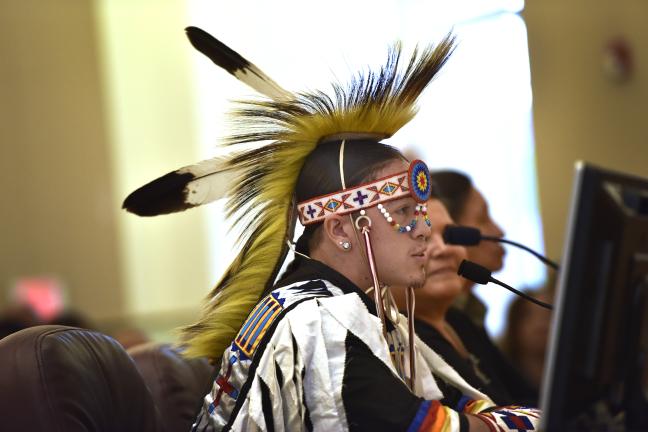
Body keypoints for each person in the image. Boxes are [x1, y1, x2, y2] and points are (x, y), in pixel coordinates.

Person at [123, 26, 541, 431]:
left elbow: (455, 400)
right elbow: (432, 427)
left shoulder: (357, 307)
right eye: (403, 212)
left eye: (422, 212)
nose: (423, 231)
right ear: (342, 228)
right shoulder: (318, 321)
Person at [391, 197, 538, 406]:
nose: (444, 249)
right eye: (421, 238)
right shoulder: (401, 344)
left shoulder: (458, 320)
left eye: (449, 236)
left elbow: (526, 398)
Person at [432, 170, 505, 329]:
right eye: (482, 219)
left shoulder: (472, 310)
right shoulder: (438, 324)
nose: (499, 231)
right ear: (449, 236)